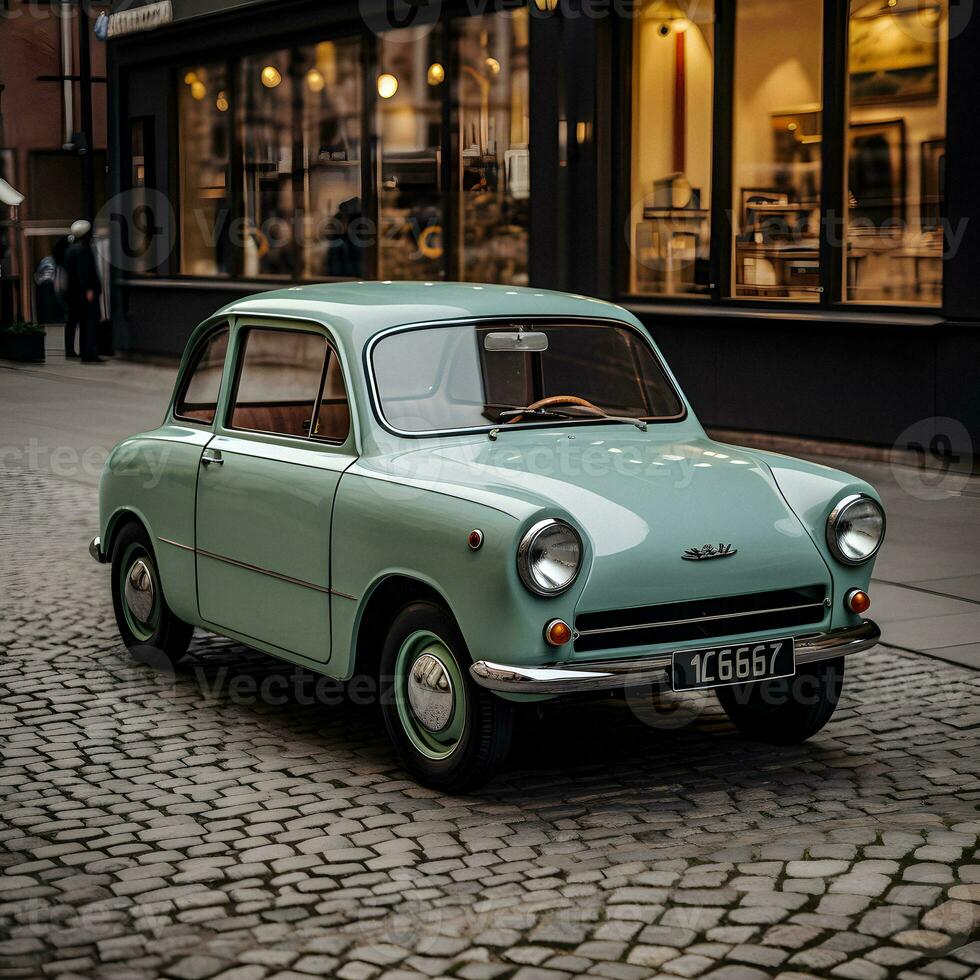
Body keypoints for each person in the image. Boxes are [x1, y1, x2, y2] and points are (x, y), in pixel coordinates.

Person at [63, 219, 103, 363]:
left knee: (72, 321)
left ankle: (70, 350)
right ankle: (89, 353)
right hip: (84, 293)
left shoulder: (70, 249)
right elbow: (84, 271)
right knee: (89, 323)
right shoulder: (83, 249)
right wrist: (89, 289)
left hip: (72, 293)